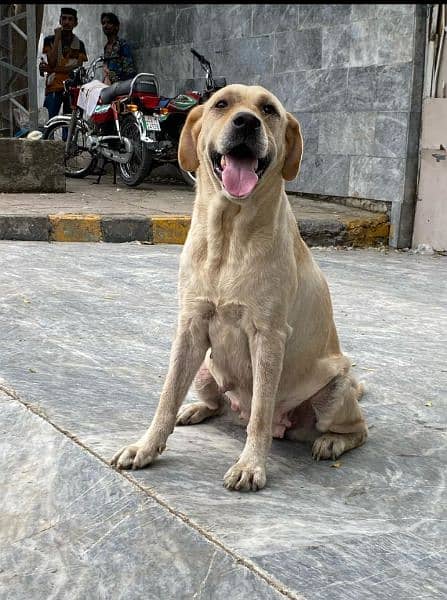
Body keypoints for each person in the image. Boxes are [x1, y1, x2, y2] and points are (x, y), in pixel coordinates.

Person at [40, 7, 88, 119]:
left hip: (71, 88)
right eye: (64, 18)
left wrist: (51, 70)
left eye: (70, 19)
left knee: (69, 123)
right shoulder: (50, 40)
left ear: (75, 23)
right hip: (53, 88)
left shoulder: (79, 44)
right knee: (49, 121)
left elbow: (76, 68)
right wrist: (57, 38)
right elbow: (51, 62)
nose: (67, 22)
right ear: (60, 20)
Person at [100, 12, 137, 85]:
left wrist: (114, 79)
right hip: (109, 86)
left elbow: (130, 71)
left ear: (116, 26)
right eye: (103, 23)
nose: (105, 25)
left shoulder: (122, 45)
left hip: (120, 86)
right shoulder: (106, 47)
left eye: (109, 23)